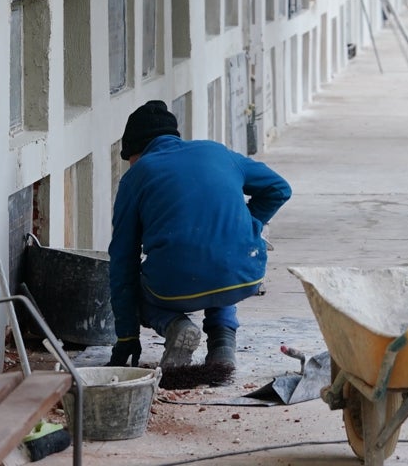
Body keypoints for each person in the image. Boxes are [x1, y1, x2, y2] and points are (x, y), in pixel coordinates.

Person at [107, 100, 292, 374]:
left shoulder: (137, 176)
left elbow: (123, 260)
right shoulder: (217, 152)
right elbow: (279, 188)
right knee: (219, 263)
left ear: (137, 150)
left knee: (139, 284)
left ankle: (175, 325)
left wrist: (126, 337)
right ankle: (223, 347)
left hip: (172, 287)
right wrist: (248, 225)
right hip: (245, 275)